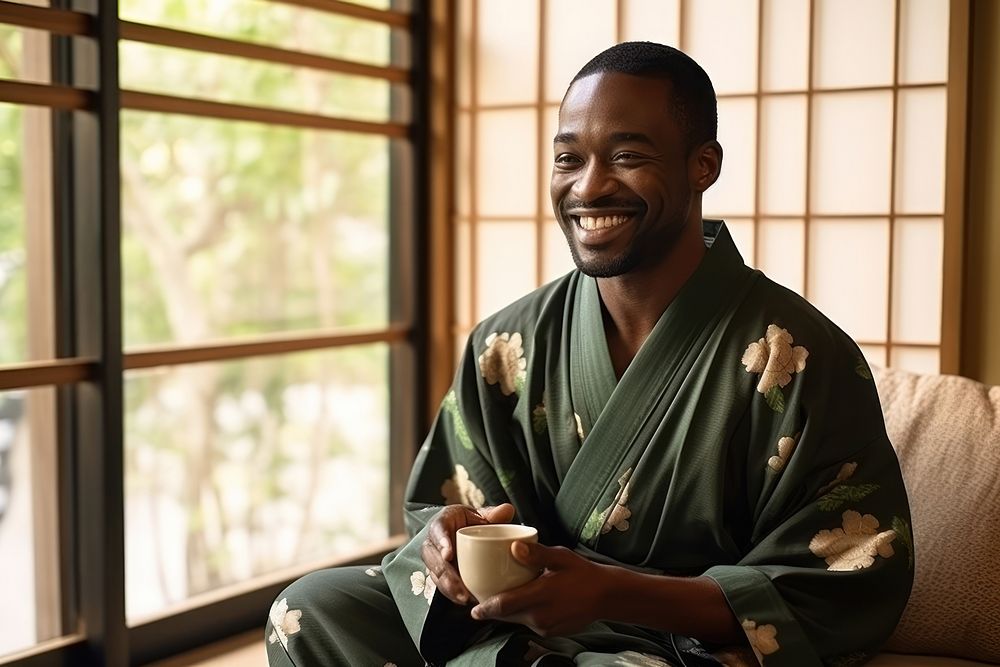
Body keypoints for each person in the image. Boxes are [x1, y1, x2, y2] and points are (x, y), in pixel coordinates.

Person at [265, 41, 913, 667]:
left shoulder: (793, 356)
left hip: (678, 646)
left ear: (703, 165)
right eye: (568, 159)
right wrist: (444, 544)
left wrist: (609, 593)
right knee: (310, 609)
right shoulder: (507, 344)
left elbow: (848, 576)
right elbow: (445, 505)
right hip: (515, 632)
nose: (590, 186)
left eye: (627, 155)